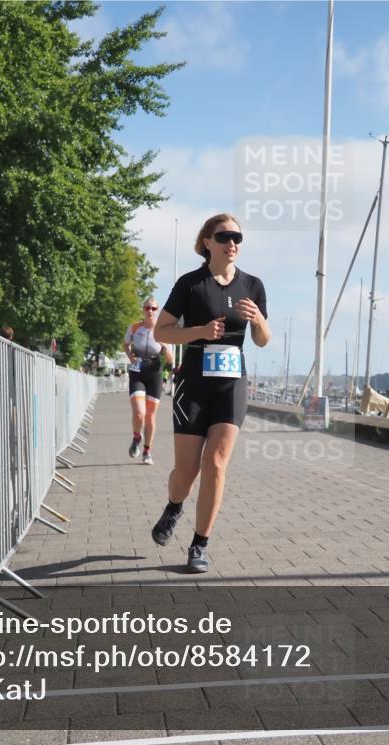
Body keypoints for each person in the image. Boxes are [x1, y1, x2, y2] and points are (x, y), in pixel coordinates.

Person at [152, 213, 270, 573]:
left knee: (216, 465)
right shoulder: (190, 284)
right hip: (194, 386)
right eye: (224, 237)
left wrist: (258, 321)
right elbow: (162, 332)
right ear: (207, 242)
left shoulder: (252, 285)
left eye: (237, 237)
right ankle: (174, 506)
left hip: (231, 385)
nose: (232, 243)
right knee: (185, 474)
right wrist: (200, 331)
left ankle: (199, 544)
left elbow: (262, 341)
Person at [124, 297, 173, 465]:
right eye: (147, 308)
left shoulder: (163, 330)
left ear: (157, 310)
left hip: (154, 372)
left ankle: (147, 451)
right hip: (137, 371)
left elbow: (170, 359)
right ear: (143, 309)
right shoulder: (135, 327)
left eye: (153, 308)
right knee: (139, 412)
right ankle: (137, 437)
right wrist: (130, 357)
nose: (150, 311)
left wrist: (165, 347)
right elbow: (125, 344)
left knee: (150, 417)